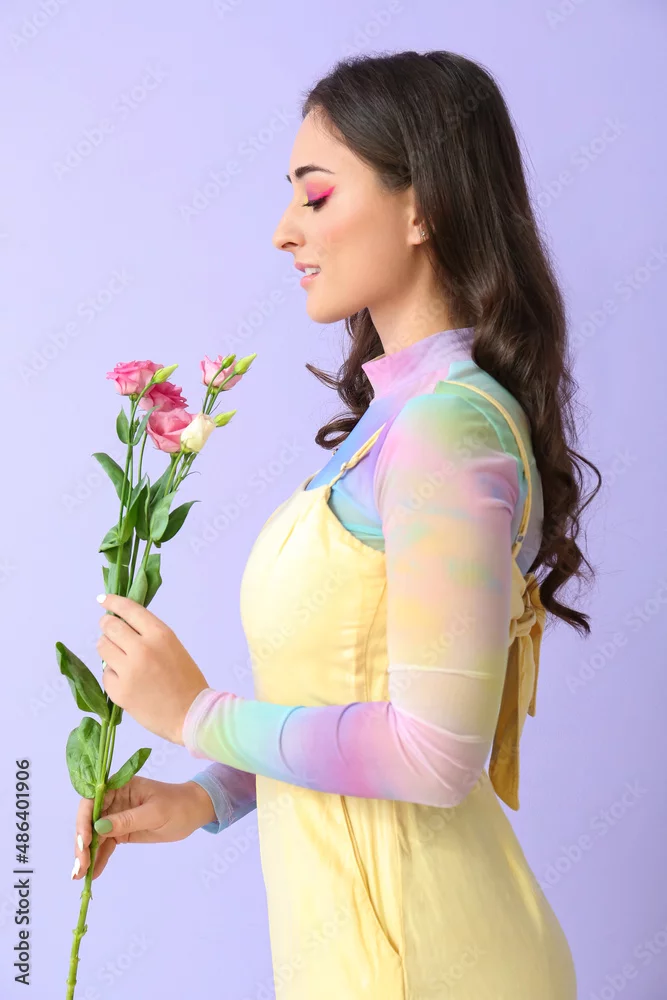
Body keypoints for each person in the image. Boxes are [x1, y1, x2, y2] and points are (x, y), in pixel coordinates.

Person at [73, 50, 601, 998]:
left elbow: (433, 754)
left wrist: (196, 717)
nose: (285, 230)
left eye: (315, 195)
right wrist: (204, 798)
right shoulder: (393, 419)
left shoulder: (443, 427)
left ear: (420, 206)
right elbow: (349, 700)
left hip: (426, 961)